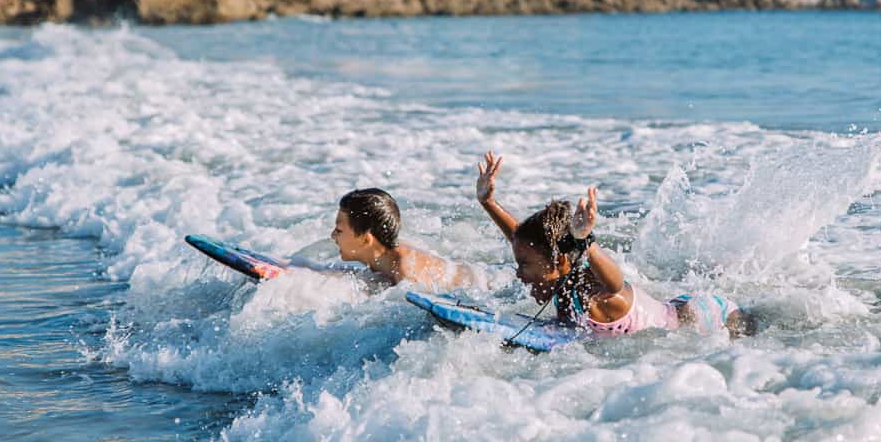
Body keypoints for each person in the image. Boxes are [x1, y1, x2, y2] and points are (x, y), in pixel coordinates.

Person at [475, 152, 757, 339]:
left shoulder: (595, 290)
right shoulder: (559, 275)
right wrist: (488, 203)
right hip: (673, 307)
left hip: (708, 316)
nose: (518, 274)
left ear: (560, 262)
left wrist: (586, 241)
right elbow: (520, 239)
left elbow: (616, 284)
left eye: (524, 265)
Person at [320, 188, 476, 289]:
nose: (332, 235)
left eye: (339, 230)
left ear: (366, 239)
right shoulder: (382, 256)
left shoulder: (405, 272)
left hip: (478, 285)